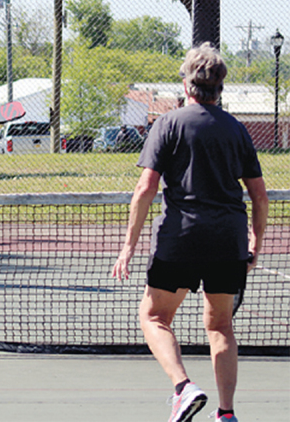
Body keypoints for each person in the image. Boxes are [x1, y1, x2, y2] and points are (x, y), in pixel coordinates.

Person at [111, 43, 269, 422]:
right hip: (228, 240)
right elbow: (259, 196)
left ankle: (183, 388)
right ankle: (226, 414)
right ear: (220, 88)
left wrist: (128, 247)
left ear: (187, 85)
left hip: (180, 238)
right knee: (221, 326)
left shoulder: (168, 123)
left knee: (153, 318)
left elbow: (145, 188)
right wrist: (256, 242)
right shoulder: (237, 130)